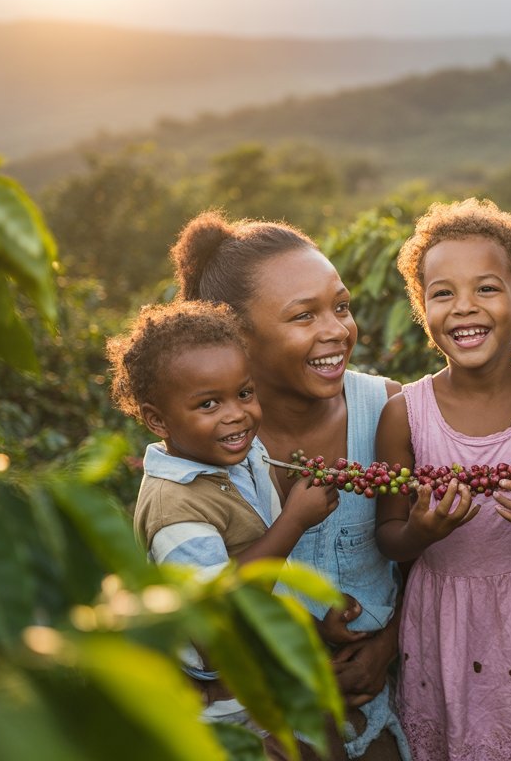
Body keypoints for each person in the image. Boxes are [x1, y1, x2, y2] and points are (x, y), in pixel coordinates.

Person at [170, 213, 409, 761]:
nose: (335, 330)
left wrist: (386, 648)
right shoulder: (206, 451)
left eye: (340, 306)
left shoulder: (388, 410)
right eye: (303, 316)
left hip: (372, 706)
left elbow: (427, 561)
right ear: (237, 335)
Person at [374, 199, 511, 760]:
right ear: (423, 309)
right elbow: (390, 537)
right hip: (445, 621)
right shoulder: (406, 414)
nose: (463, 308)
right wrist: (423, 532)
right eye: (442, 293)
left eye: (487, 289)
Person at [105, 299, 339, 747]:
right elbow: (216, 615)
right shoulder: (174, 508)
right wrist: (294, 521)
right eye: (209, 403)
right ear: (157, 419)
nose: (237, 414)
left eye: (244, 393)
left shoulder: (237, 454)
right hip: (232, 705)